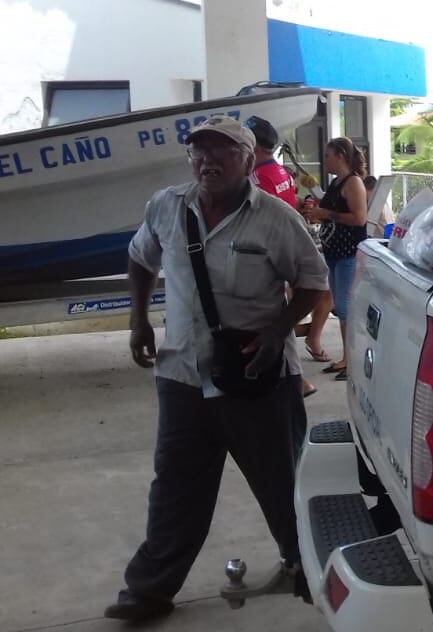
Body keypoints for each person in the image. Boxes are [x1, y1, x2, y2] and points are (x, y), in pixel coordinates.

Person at [106, 116, 328, 622]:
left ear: (249, 160)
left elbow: (314, 282)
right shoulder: (166, 205)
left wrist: (278, 331)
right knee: (175, 488)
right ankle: (149, 589)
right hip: (182, 375)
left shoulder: (275, 216)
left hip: (259, 375)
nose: (208, 161)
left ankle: (309, 570)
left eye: (222, 151)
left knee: (284, 482)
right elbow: (141, 258)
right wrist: (138, 321)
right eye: (199, 151)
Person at [245, 115, 320, 397]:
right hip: (285, 249)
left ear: (255, 145)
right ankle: (294, 377)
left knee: (273, 319)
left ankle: (294, 377)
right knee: (281, 316)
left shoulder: (257, 177)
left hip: (267, 255)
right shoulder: (280, 174)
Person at [303, 137, 367, 381]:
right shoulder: (335, 184)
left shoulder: (353, 184)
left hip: (348, 252)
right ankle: (346, 357)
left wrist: (326, 213)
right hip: (334, 251)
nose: (325, 160)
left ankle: (352, 358)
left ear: (340, 155)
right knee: (341, 307)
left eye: (328, 155)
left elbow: (359, 218)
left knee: (345, 306)